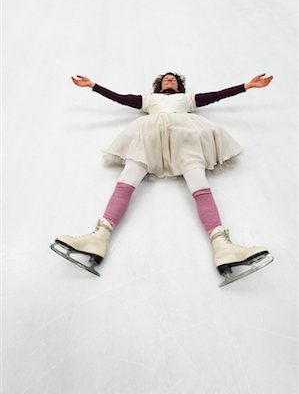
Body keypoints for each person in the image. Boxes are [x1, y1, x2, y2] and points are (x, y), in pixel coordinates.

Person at [50, 72, 274, 286]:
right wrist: (93, 86)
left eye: (173, 79)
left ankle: (222, 246)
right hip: (147, 137)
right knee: (126, 180)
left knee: (200, 184)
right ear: (158, 85)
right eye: (166, 79)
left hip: (187, 137)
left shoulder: (186, 100)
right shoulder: (150, 100)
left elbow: (216, 95)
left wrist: (247, 86)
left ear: (179, 86)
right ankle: (98, 238)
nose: (169, 80)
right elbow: (123, 98)